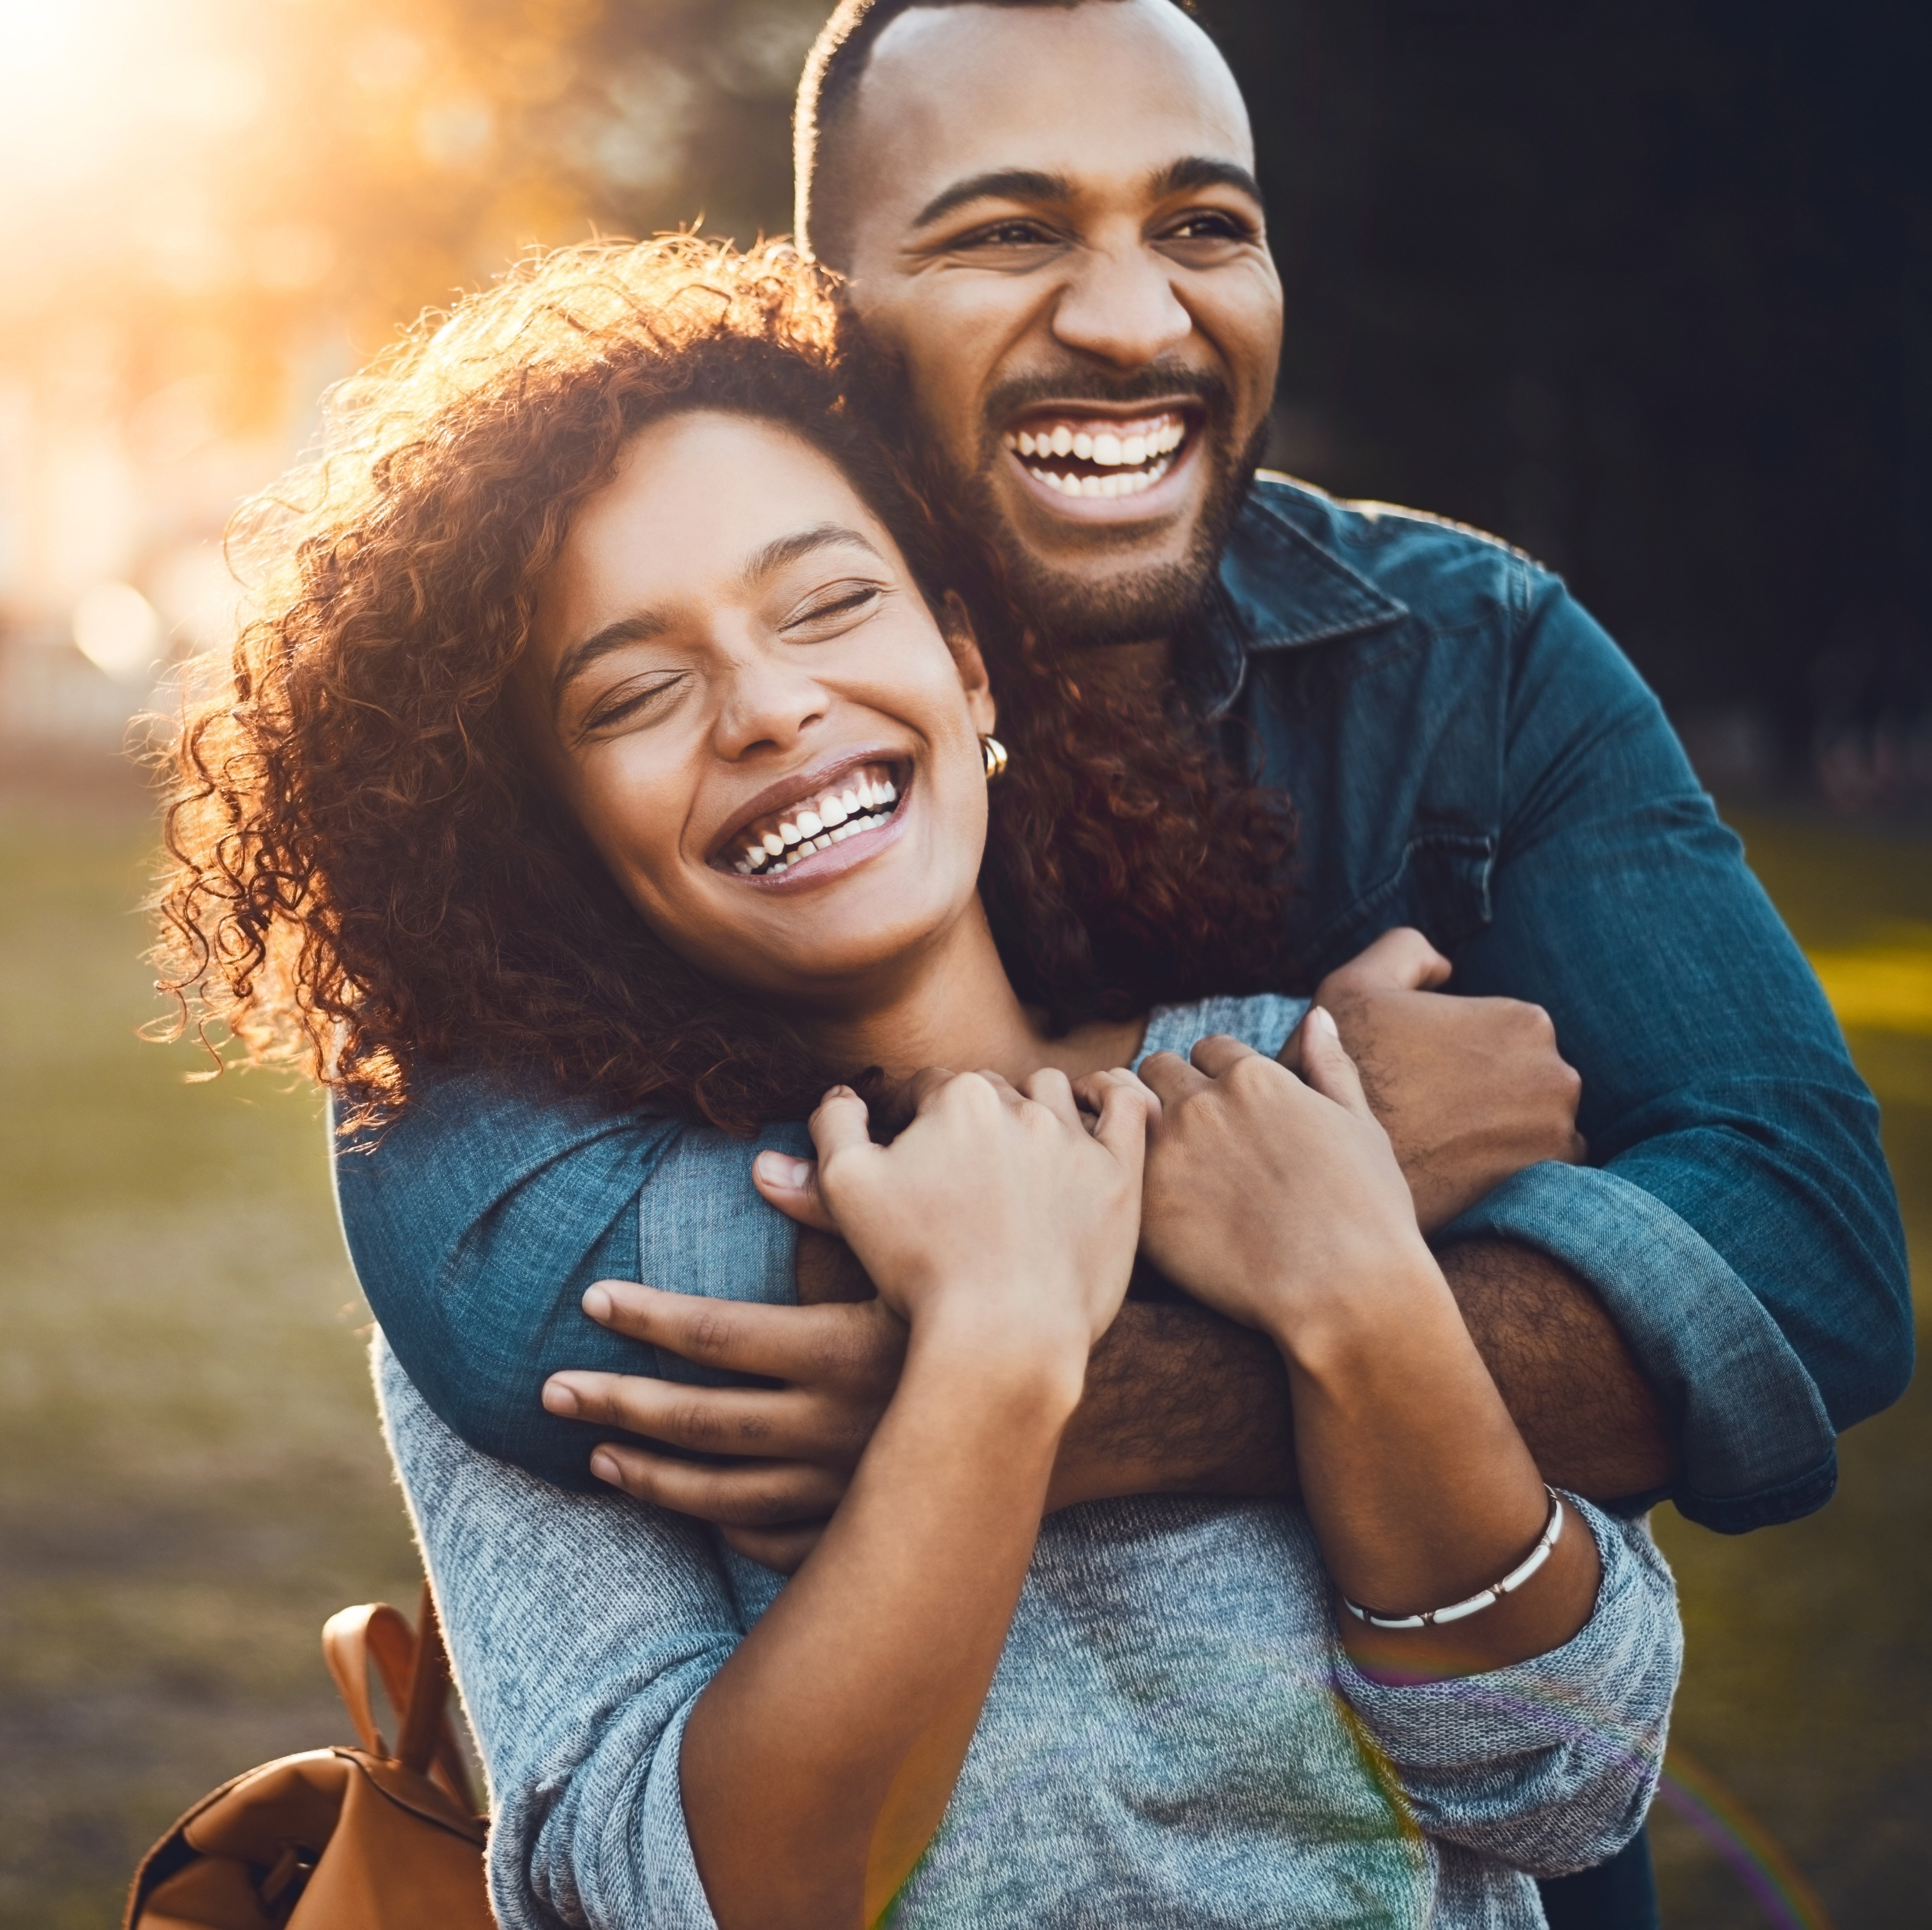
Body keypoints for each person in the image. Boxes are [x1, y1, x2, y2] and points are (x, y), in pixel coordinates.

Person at [311, 5, 1912, 1922]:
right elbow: (527, 1338)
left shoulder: (1435, 743)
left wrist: (1225, 1332)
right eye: (1006, 231)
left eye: (1205, 225)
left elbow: (1793, 1287)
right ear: (831, 313)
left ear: (956, 668)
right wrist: (1051, 1302)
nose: (1138, 324)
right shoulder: (1327, 1106)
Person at [154, 237, 1679, 1927]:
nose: (769, 706)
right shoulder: (583, 1306)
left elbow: (1568, 1780)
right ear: (550, 840)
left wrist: (1357, 1292)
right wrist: (994, 1355)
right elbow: (679, 1898)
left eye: (827, 603)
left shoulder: (1294, 1082)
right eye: (637, 692)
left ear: (964, 665)